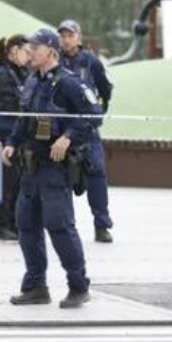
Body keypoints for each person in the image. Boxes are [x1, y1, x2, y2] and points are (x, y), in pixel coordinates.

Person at [2, 29, 102, 309]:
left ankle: (78, 286)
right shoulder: (33, 81)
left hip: (55, 170)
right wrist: (11, 144)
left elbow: (93, 115)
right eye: (29, 47)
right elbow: (24, 119)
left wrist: (68, 136)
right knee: (26, 225)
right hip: (30, 169)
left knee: (60, 227)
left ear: (51, 52)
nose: (30, 51)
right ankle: (36, 286)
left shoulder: (69, 83)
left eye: (35, 47)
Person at [58, 20, 114, 243]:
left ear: (79, 37)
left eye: (70, 35)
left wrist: (97, 111)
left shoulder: (91, 61)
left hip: (87, 129)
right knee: (60, 178)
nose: (66, 40)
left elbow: (105, 89)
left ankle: (102, 225)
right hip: (63, 130)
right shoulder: (55, 60)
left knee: (97, 174)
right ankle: (66, 226)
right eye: (62, 35)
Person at [0, 35, 30, 242]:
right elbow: (5, 106)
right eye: (26, 52)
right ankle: (1, 225)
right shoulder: (2, 75)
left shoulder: (20, 73)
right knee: (5, 182)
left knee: (17, 182)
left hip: (18, 135)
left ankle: (13, 223)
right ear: (14, 50)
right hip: (5, 134)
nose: (29, 57)